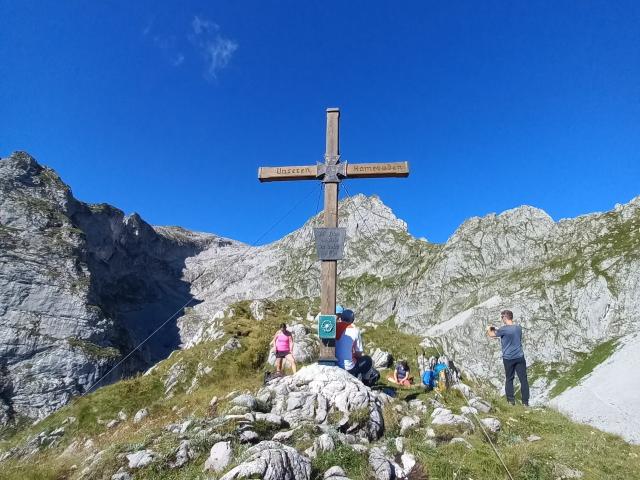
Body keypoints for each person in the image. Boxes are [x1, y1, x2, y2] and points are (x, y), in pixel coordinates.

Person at [487, 309, 530, 406]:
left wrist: (489, 328)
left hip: (508, 358)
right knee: (523, 380)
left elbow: (491, 334)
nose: (501, 319)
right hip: (520, 357)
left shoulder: (503, 329)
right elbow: (509, 332)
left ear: (505, 317)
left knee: (509, 379)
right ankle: (525, 403)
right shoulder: (518, 328)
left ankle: (511, 401)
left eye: (502, 317)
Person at [335, 309, 373, 379]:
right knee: (368, 360)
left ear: (341, 318)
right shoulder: (355, 330)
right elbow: (359, 353)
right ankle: (364, 381)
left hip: (335, 364)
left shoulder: (335, 326)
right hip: (348, 368)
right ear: (352, 320)